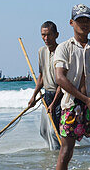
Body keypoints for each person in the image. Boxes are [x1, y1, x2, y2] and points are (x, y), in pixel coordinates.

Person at [53, 4, 90, 170]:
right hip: (72, 105)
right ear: (71, 22)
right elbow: (60, 78)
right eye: (80, 20)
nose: (84, 24)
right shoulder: (64, 47)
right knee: (66, 152)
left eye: (87, 20)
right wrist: (85, 99)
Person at [27, 20, 63, 149]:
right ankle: (53, 156)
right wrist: (34, 96)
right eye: (43, 35)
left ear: (56, 35)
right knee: (43, 131)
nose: (46, 38)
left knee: (55, 132)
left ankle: (59, 160)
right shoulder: (41, 51)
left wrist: (53, 104)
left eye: (49, 35)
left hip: (60, 96)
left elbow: (62, 82)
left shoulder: (62, 51)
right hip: (47, 96)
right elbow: (41, 76)